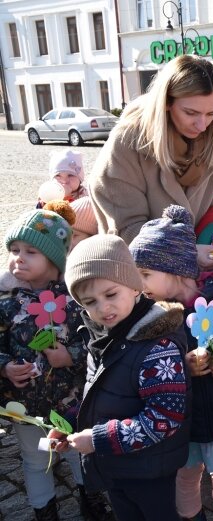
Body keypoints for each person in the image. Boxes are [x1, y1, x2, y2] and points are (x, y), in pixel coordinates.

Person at [60, 235, 191, 521]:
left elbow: (164, 418)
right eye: (90, 302)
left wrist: (97, 439)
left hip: (150, 470)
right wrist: (69, 423)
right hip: (116, 465)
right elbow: (99, 391)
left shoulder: (158, 347)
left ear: (135, 286)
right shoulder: (102, 335)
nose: (102, 308)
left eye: (110, 294)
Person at [127, 205, 213, 521]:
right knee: (187, 476)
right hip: (184, 422)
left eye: (146, 274)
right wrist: (183, 368)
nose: (139, 284)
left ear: (177, 270)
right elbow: (144, 363)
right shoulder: (152, 316)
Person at [0, 206, 112, 521]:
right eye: (14, 250)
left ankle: (92, 501)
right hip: (26, 406)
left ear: (54, 261)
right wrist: (5, 366)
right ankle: (44, 511)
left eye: (30, 251)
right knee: (36, 460)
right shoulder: (6, 304)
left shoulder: (77, 304)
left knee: (79, 454)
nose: (18, 257)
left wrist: (70, 356)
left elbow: (97, 345)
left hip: (73, 401)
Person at [89, 54, 213, 270]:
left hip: (197, 275)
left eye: (211, 113)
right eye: (190, 112)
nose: (202, 125)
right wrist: (188, 252)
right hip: (139, 274)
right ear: (166, 103)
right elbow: (127, 228)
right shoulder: (127, 142)